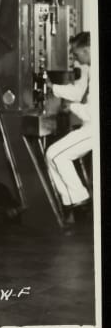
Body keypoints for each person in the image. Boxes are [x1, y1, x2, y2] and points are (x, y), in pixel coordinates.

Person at [45, 31, 92, 212]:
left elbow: (91, 113)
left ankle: (79, 201)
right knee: (54, 154)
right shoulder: (91, 69)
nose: (75, 59)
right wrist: (53, 88)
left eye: (76, 54)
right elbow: (79, 91)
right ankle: (74, 201)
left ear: (87, 50)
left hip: (93, 129)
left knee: (55, 155)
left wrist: (71, 107)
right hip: (90, 126)